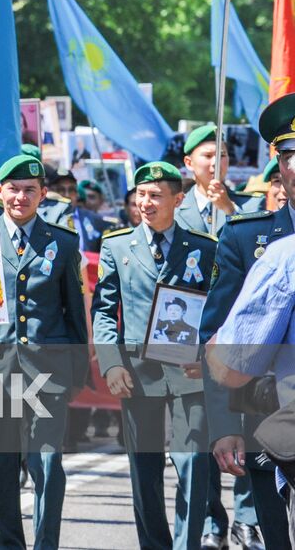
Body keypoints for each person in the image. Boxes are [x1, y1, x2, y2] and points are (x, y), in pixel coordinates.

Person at [0, 153, 89, 550]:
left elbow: (74, 315)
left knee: (47, 464)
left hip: (47, 372)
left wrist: (76, 374)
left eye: (30, 190)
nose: (21, 197)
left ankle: (46, 543)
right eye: (13, 189)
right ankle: (7, 545)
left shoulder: (63, 244)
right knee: (0, 467)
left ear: (43, 194)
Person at [92, 160, 216, 550]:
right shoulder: (116, 246)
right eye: (141, 195)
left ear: (178, 200)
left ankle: (187, 543)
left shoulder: (204, 246)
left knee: (193, 462)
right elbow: (104, 311)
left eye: (156, 196)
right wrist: (111, 363)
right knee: (144, 470)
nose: (145, 203)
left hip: (188, 370)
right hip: (136, 371)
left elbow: (217, 311)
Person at [201, 96, 295, 550]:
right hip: (266, 423)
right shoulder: (246, 236)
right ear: (279, 167)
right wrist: (224, 425)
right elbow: (219, 338)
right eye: (293, 157)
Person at [207, 220, 295, 550]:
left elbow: (233, 367)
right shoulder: (249, 237)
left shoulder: (285, 257)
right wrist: (225, 426)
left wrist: (215, 353)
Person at [180, 124, 264, 236]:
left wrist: (230, 210)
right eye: (208, 156)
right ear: (189, 163)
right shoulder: (175, 206)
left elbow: (254, 243)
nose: (216, 162)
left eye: (222, 155)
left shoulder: (252, 205)